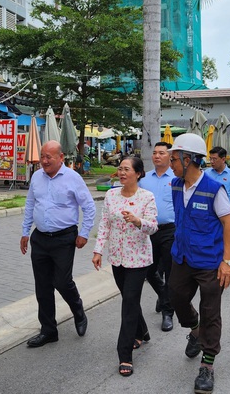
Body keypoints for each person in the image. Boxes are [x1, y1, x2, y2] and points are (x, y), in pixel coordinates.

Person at [165, 133, 230, 393]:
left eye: (174, 159)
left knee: (210, 311)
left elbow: (228, 224)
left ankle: (207, 365)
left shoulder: (214, 189)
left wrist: (227, 261)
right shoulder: (174, 185)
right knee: (176, 297)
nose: (171, 163)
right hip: (181, 257)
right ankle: (194, 329)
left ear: (189, 159)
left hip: (209, 262)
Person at [20, 140, 96, 348]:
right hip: (40, 238)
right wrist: (25, 232)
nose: (44, 161)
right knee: (42, 286)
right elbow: (30, 205)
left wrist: (84, 233)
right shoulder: (36, 177)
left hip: (64, 238)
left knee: (62, 281)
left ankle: (78, 312)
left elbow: (89, 207)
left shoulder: (73, 178)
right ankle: (48, 331)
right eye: (42, 157)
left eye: (49, 157)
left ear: (61, 158)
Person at [92, 157, 158, 377]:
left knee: (129, 302)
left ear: (138, 173)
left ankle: (124, 355)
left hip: (138, 259)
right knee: (129, 299)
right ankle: (143, 331)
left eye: (126, 169)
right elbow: (104, 224)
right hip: (117, 258)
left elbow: (153, 227)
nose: (121, 173)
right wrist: (98, 250)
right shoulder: (111, 195)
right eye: (119, 169)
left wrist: (138, 221)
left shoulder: (146, 197)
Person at [138, 141, 176, 332]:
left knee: (169, 272)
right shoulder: (144, 180)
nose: (157, 156)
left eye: (161, 153)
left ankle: (168, 313)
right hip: (147, 230)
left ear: (170, 156)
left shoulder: (177, 178)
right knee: (148, 270)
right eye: (155, 153)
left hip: (170, 230)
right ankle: (163, 295)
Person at [206, 146, 230, 211]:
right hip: (210, 213)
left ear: (223, 159)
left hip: (227, 214)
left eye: (214, 159)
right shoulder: (206, 174)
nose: (212, 162)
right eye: (210, 159)